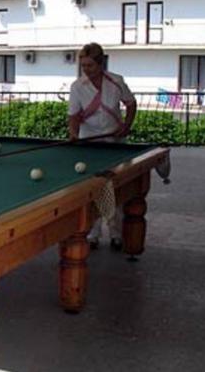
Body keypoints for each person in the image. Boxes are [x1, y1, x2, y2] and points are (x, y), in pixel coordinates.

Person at [68, 43, 137, 251]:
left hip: (114, 143)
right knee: (93, 189)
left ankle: (116, 234)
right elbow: (73, 116)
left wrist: (125, 126)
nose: (85, 70)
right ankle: (93, 234)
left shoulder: (116, 81)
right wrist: (74, 135)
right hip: (89, 143)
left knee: (114, 189)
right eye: (83, 65)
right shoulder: (77, 86)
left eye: (89, 65)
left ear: (100, 63)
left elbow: (131, 104)